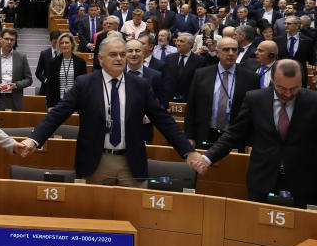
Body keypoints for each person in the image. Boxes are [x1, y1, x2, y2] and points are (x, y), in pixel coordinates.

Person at [18, 35, 201, 186]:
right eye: (113, 54)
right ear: (100, 58)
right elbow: (58, 114)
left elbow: (164, 120)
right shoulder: (85, 84)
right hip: (96, 162)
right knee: (96, 218)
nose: (120, 58)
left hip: (131, 162)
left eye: (122, 54)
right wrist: (34, 139)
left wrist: (187, 150)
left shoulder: (140, 85)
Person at [198, 60, 317, 207]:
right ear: (273, 79)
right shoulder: (255, 99)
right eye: (281, 88)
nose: (287, 93)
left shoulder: (313, 101)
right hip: (262, 178)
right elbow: (234, 134)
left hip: (304, 181)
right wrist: (208, 157)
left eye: (294, 88)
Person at [184, 36, 257, 149]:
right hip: (206, 134)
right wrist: (189, 136)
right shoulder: (201, 74)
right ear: (217, 53)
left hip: (236, 137)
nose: (231, 53)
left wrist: (251, 142)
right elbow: (191, 107)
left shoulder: (250, 78)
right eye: (226, 49)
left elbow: (254, 113)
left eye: (234, 50)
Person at [0, 27, 32, 111]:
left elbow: (29, 79)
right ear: (1, 39)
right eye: (6, 39)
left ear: (15, 42)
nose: (9, 42)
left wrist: (16, 85)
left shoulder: (21, 57)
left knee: (14, 124)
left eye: (12, 40)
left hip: (14, 99)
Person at [43, 31, 87, 109]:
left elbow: (83, 86)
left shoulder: (80, 62)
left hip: (75, 102)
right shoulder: (53, 62)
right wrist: (50, 105)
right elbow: (50, 86)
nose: (64, 45)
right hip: (57, 103)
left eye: (67, 42)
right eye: (62, 43)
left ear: (72, 44)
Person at [33, 30, 60, 95]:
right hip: (46, 89)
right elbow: (38, 73)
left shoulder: (65, 54)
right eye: (55, 42)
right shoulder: (44, 54)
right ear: (51, 41)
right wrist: (45, 80)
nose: (57, 45)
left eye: (59, 43)